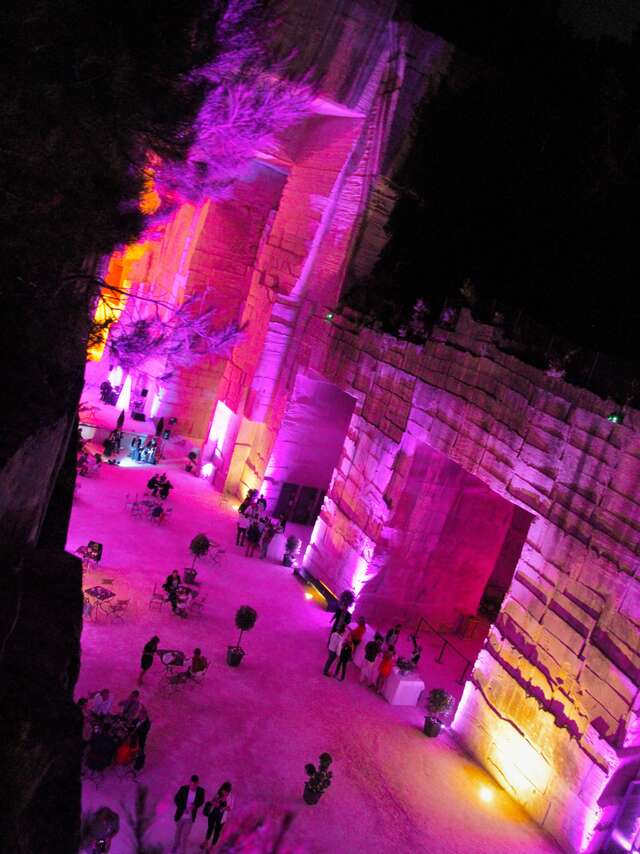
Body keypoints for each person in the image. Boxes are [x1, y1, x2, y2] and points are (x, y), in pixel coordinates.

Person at [172, 775, 205, 854]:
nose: (193, 786)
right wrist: (183, 808)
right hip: (180, 815)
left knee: (185, 835)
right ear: (189, 782)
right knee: (178, 833)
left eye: (195, 784)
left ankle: (183, 851)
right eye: (192, 784)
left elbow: (201, 801)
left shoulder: (200, 791)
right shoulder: (183, 789)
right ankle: (176, 846)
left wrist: (195, 805)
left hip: (190, 818)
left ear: (198, 784)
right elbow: (176, 799)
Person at [200, 782, 233, 850]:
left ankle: (212, 846)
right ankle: (206, 842)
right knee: (210, 828)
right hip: (213, 813)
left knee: (217, 831)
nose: (225, 793)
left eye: (227, 792)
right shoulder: (218, 794)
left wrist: (223, 808)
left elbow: (230, 808)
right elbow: (212, 801)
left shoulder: (231, 797)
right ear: (222, 789)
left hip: (221, 817)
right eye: (224, 791)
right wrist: (215, 803)